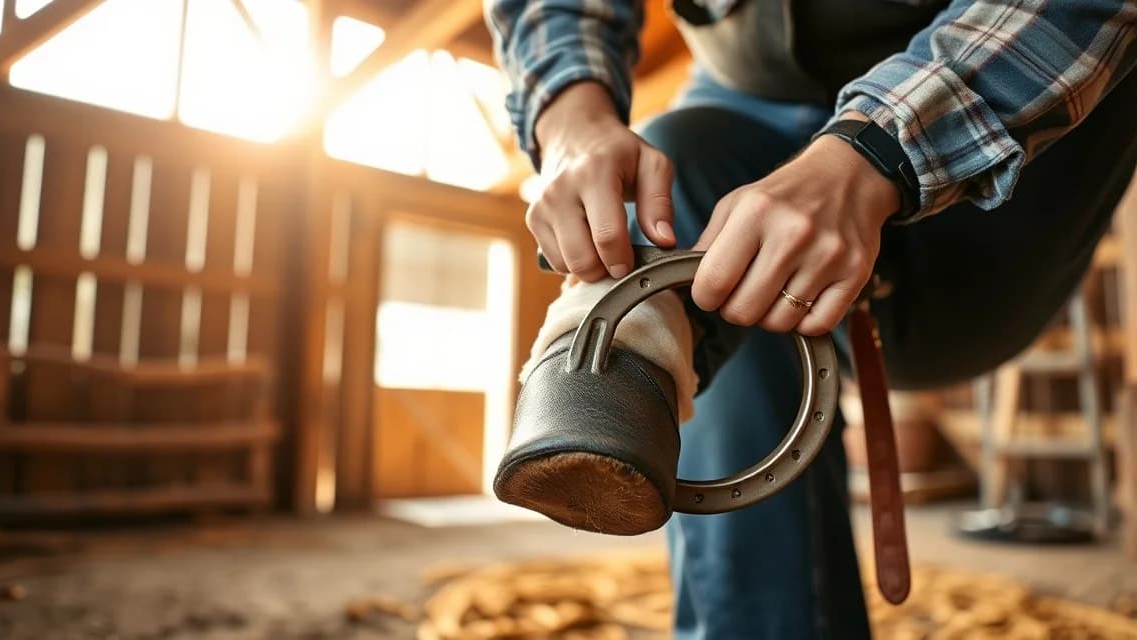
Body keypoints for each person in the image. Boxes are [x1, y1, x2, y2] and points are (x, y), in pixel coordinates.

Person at [486, 1, 1137, 638]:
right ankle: (619, 355)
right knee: (681, 178)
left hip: (1002, 105)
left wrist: (873, 152)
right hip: (743, 99)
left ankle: (622, 336)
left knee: (707, 227)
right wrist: (570, 117)